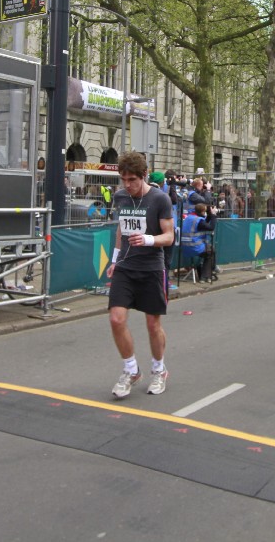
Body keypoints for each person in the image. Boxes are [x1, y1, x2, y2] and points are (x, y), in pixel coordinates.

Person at [107, 152, 176, 399]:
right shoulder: (121, 197)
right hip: (125, 267)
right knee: (116, 319)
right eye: (123, 179)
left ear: (144, 176)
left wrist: (147, 240)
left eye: (132, 180)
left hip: (151, 268)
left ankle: (159, 370)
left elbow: (169, 236)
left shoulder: (160, 199)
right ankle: (131, 370)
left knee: (152, 324)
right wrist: (114, 260)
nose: (127, 185)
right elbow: (121, 229)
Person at [180, 202, 216, 283]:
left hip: (184, 247)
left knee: (207, 251)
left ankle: (205, 274)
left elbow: (203, 224)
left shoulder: (189, 217)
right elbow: (211, 227)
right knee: (211, 251)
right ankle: (205, 276)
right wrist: (213, 215)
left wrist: (209, 215)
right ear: (202, 211)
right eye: (205, 211)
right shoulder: (198, 221)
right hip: (194, 247)